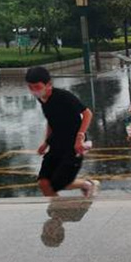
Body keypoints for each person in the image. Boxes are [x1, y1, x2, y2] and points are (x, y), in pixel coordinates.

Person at [26, 66, 99, 197]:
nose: (34, 91)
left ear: (48, 84)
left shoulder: (64, 96)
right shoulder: (42, 99)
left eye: (36, 87)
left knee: (57, 183)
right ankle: (57, 213)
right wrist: (45, 143)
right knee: (43, 183)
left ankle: (86, 185)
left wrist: (80, 137)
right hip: (56, 143)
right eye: (30, 87)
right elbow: (51, 120)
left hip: (73, 145)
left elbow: (87, 113)